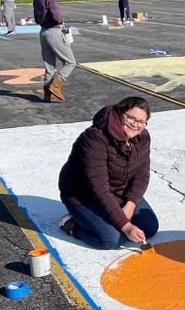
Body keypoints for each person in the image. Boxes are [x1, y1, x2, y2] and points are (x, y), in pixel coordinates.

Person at [58, 96, 158, 250]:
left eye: (141, 122)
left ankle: (104, 219)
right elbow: (99, 188)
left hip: (118, 192)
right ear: (120, 114)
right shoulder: (95, 138)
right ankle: (71, 225)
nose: (136, 125)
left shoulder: (143, 137)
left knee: (150, 228)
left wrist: (130, 205)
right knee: (112, 240)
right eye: (131, 118)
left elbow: (142, 175)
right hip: (84, 196)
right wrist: (125, 225)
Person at [33, 0, 76, 102]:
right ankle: (56, 86)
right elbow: (57, 15)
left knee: (49, 64)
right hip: (54, 31)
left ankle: (48, 95)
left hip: (43, 32)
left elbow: (36, 18)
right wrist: (60, 21)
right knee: (70, 62)